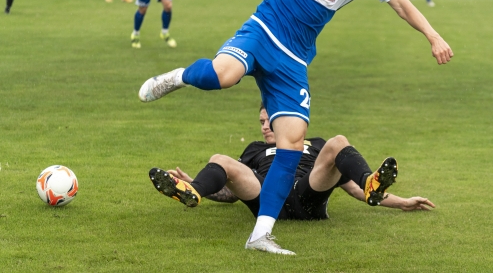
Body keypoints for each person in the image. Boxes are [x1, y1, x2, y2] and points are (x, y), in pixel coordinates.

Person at [138, 0, 453, 255]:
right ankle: (176, 77)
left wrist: (433, 35)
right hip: (260, 33)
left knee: (291, 140)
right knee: (220, 77)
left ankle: (260, 235)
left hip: (292, 62)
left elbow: (399, 2)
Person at [148, 104, 435, 255]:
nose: (263, 126)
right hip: (266, 198)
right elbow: (233, 193)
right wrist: (206, 190)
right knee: (220, 159)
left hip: (307, 193)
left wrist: (401, 203)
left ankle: (370, 178)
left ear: (283, 119)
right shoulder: (254, 149)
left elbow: (352, 189)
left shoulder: (314, 143)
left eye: (268, 120)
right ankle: (192, 191)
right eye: (260, 121)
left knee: (337, 142)